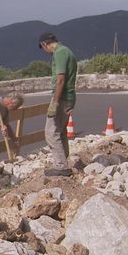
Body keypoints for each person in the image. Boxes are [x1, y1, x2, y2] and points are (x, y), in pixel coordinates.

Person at [39, 31, 77, 176]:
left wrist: (54, 102)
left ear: (44, 44)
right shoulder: (67, 51)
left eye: (43, 48)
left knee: (50, 132)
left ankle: (61, 166)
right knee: (60, 131)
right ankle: (64, 161)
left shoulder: (59, 53)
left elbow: (60, 79)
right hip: (69, 97)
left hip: (62, 98)